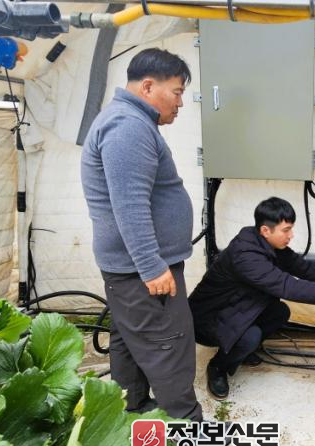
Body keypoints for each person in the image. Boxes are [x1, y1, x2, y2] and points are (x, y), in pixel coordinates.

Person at [81, 48, 203, 422]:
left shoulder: (129, 121)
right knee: (168, 345)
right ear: (148, 86)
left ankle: (130, 408)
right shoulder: (127, 127)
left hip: (133, 266)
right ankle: (185, 425)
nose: (180, 103)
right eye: (177, 92)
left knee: (130, 338)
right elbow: (130, 205)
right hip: (142, 269)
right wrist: (152, 266)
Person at [188, 197, 315, 400]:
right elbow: (288, 286)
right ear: (266, 230)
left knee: (279, 312)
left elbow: (300, 267)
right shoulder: (246, 256)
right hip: (207, 320)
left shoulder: (264, 241)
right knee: (250, 337)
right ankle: (218, 367)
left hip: (235, 306)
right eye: (286, 230)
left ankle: (239, 351)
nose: (291, 235)